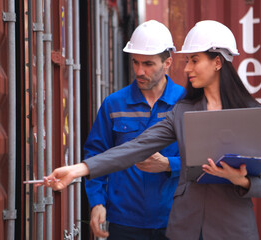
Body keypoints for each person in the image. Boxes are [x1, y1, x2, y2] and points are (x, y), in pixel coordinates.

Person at [44, 20, 261, 240]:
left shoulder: (250, 113)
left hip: (232, 229)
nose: (187, 69)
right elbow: (136, 148)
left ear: (217, 62)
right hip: (184, 229)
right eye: (187, 61)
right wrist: (78, 170)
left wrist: (242, 181)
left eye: (194, 60)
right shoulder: (182, 110)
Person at [83, 20, 185, 240]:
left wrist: (168, 165)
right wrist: (97, 202)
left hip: (176, 219)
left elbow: (201, 159)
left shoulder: (185, 104)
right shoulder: (114, 104)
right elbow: (96, 154)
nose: (140, 71)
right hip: (124, 222)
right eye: (135, 62)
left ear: (167, 62)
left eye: (148, 64)